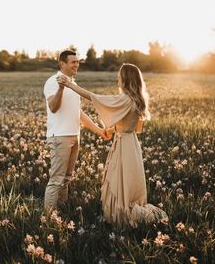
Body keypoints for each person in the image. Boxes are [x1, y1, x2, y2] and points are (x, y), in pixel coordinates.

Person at [58, 63, 168, 227]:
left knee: (120, 178)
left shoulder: (125, 98)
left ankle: (120, 216)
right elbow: (135, 127)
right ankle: (124, 210)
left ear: (125, 78)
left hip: (124, 144)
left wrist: (71, 85)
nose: (117, 77)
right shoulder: (138, 99)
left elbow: (94, 97)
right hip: (132, 144)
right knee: (128, 179)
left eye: (120, 75)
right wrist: (112, 129)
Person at [43, 49, 108, 211]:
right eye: (73, 62)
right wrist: (61, 88)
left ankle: (62, 209)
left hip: (74, 135)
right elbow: (53, 107)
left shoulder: (73, 84)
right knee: (57, 179)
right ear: (62, 64)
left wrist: (99, 130)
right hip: (59, 136)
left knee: (66, 178)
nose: (76, 65)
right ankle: (49, 217)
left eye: (78, 62)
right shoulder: (53, 81)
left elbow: (78, 113)